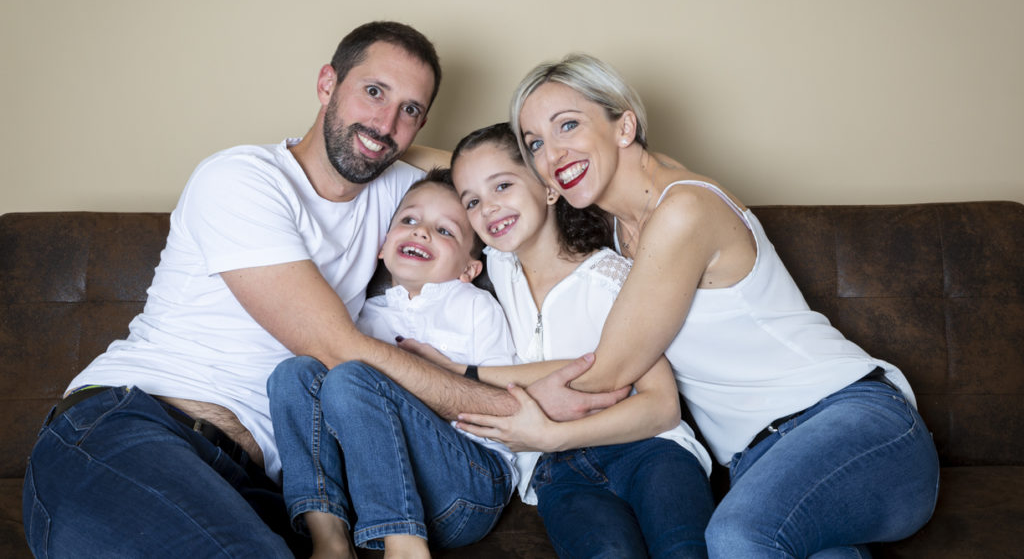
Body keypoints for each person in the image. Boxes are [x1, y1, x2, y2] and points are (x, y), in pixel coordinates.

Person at [23, 21, 623, 557]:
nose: (387, 124)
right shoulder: (243, 180)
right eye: (373, 92)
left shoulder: (397, 196)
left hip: (255, 481)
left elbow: (487, 167)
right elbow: (339, 349)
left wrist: (632, 174)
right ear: (326, 84)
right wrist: (524, 408)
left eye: (411, 110)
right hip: (135, 427)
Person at [465, 53, 940, 558]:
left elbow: (610, 372)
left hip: (853, 426)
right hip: (764, 464)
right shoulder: (615, 223)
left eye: (568, 126)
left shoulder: (682, 210)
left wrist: (467, 376)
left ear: (624, 125)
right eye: (536, 143)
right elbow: (475, 168)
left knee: (737, 537)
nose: (553, 154)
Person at [445, 123, 715, 558]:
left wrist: (552, 435)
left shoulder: (607, 279)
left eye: (503, 186)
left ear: (550, 189)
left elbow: (662, 406)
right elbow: (435, 173)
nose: (489, 208)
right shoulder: (496, 265)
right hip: (560, 473)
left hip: (646, 451)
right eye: (472, 202)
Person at [267, 169, 518, 558]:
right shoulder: (363, 317)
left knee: (351, 376)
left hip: (466, 486)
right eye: (410, 220)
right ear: (382, 247)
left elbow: (502, 402)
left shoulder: (475, 308)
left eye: (445, 230)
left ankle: (407, 548)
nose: (421, 232)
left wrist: (432, 375)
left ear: (470, 269)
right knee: (293, 373)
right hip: (369, 498)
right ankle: (329, 537)